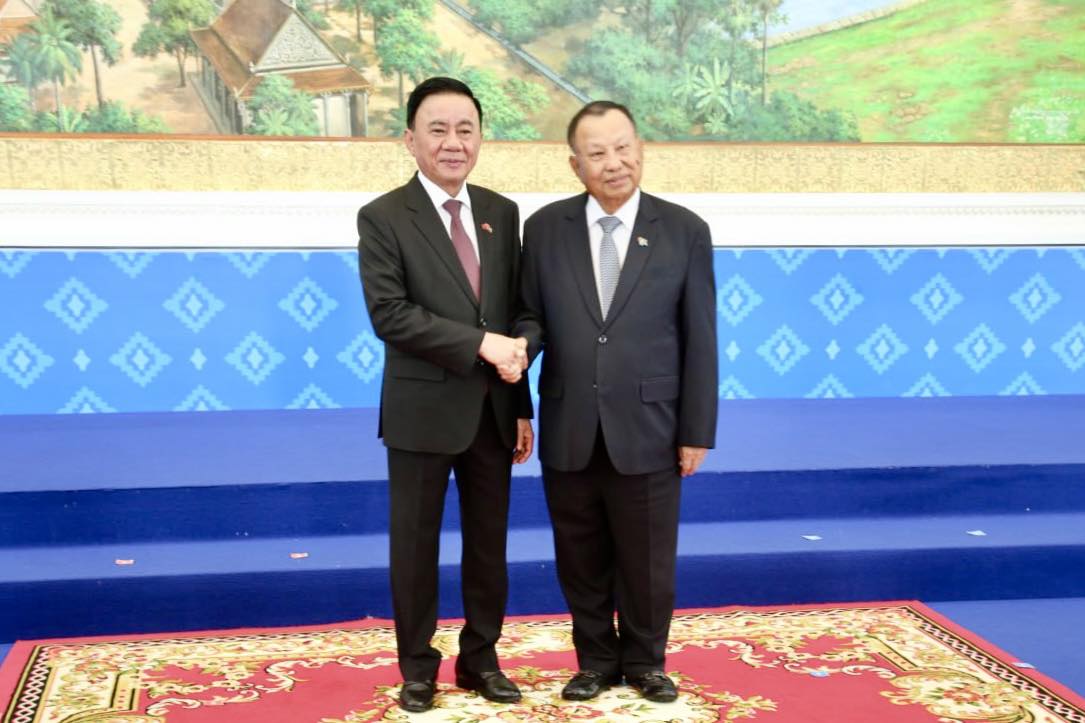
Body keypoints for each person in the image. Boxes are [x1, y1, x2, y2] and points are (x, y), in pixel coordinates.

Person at [515, 100, 718, 704]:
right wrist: (518, 376)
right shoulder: (544, 229)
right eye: (598, 153)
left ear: (641, 149)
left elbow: (700, 337)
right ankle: (596, 661)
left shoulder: (683, 230)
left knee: (648, 557)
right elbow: (527, 316)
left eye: (623, 147)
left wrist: (696, 429)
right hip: (570, 420)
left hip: (652, 424)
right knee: (579, 554)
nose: (614, 162)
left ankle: (647, 662)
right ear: (575, 164)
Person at [356, 76, 533, 714]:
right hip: (421, 411)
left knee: (489, 545)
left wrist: (521, 401)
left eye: (466, 129)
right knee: (415, 546)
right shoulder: (382, 216)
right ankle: (417, 668)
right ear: (410, 139)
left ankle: (481, 660)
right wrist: (483, 344)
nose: (453, 142)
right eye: (438, 129)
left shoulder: (501, 212)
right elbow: (391, 315)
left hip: (493, 411)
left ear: (480, 138)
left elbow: (517, 313)